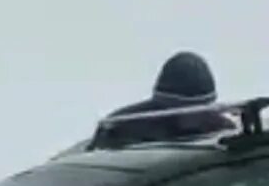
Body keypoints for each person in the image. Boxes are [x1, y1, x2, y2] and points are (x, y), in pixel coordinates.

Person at [92, 51, 237, 148]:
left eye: (202, 109)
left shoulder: (220, 130)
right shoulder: (124, 129)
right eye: (184, 110)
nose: (196, 117)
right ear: (164, 106)